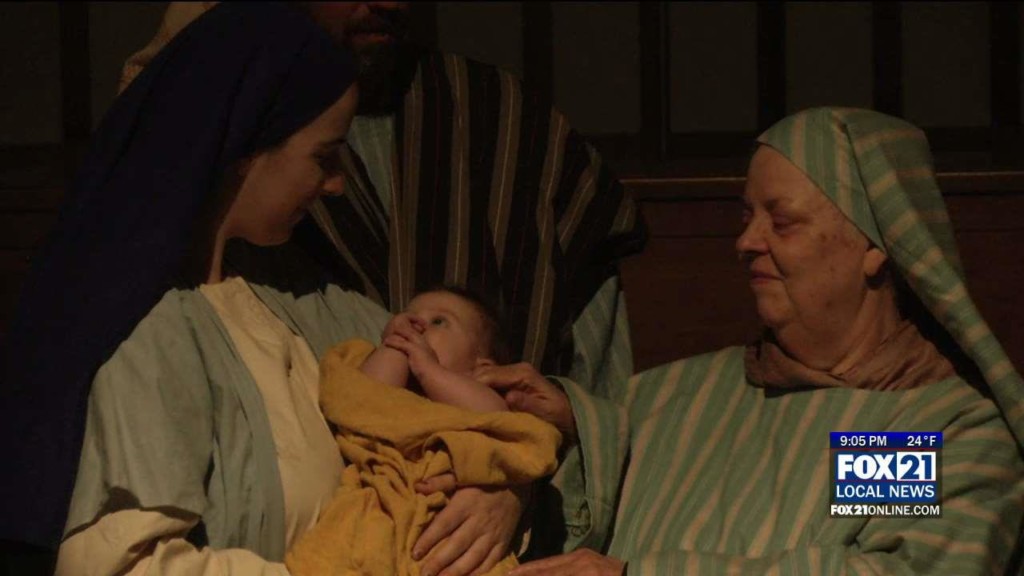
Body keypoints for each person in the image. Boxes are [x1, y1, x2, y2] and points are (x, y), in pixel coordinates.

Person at [0, 4, 519, 575]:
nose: (337, 184)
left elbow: (472, 400)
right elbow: (121, 566)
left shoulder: (309, 300)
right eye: (323, 157)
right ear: (244, 150)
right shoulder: (149, 329)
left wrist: (501, 491)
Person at [483, 107, 1024, 575]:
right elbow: (607, 477)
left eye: (782, 222)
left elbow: (894, 570)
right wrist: (563, 434)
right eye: (747, 216)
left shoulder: (921, 429)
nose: (746, 241)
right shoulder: (680, 392)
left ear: (874, 246)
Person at [285, 287, 562, 575]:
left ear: (482, 367)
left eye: (439, 321)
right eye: (408, 316)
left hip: (457, 534)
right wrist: (395, 346)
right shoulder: (387, 385)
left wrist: (429, 370)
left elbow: (503, 423)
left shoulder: (478, 398)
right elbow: (364, 399)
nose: (416, 325)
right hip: (380, 513)